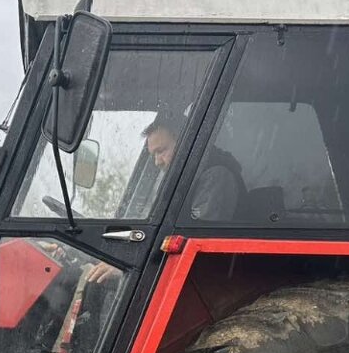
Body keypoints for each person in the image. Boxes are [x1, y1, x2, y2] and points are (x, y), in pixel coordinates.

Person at [86, 115, 246, 282]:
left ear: (186, 141)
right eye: (153, 155)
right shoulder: (182, 180)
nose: (157, 162)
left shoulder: (217, 176)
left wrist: (128, 267)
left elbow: (192, 243)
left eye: (161, 151)